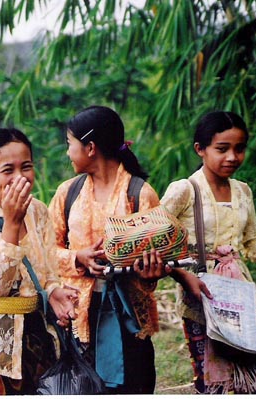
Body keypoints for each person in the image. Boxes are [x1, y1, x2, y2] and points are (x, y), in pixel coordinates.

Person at [161, 110, 256, 394]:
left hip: (241, 297)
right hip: (202, 296)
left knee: (252, 372)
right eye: (222, 149)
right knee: (213, 380)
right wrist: (181, 276)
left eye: (239, 149)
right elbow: (154, 243)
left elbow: (249, 245)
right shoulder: (185, 191)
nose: (232, 157)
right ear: (200, 149)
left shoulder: (242, 192)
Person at [48, 105, 169, 394]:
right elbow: (45, 250)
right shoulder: (68, 193)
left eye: (70, 144)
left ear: (90, 147)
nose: (68, 153)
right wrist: (77, 257)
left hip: (128, 320)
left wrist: (151, 272)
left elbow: (160, 255)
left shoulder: (140, 194)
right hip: (78, 319)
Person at [0, 127, 80, 395]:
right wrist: (11, 224)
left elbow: (47, 270)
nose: (19, 177)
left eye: (26, 167)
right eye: (7, 170)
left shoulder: (37, 211)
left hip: (37, 335)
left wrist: (55, 291)